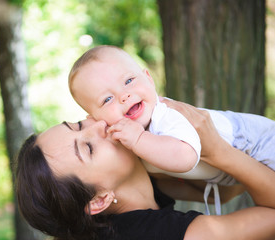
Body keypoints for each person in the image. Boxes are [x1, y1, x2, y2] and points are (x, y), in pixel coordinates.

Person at [15, 98, 275, 240]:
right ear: (99, 200)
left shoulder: (141, 188)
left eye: (79, 125)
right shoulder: (160, 235)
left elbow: (228, 190)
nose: (99, 126)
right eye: (89, 149)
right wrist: (220, 152)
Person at [68, 45, 275, 214]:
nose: (124, 96)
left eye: (129, 81)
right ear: (95, 119)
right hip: (240, 170)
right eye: (107, 99)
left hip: (257, 142)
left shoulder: (165, 116)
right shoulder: (130, 146)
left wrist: (139, 139)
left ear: (148, 79)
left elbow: (185, 156)